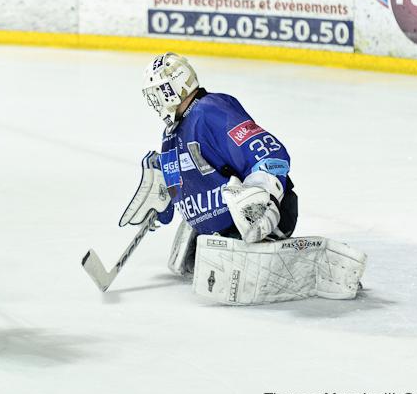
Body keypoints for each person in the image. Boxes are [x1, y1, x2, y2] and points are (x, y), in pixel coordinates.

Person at [121, 52, 365, 305]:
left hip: (259, 219)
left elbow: (266, 151)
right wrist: (162, 197)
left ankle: (305, 264)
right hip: (215, 234)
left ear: (171, 89)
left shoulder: (209, 111)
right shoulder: (171, 133)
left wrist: (265, 195)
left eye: (156, 93)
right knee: (185, 263)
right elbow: (182, 184)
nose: (154, 101)